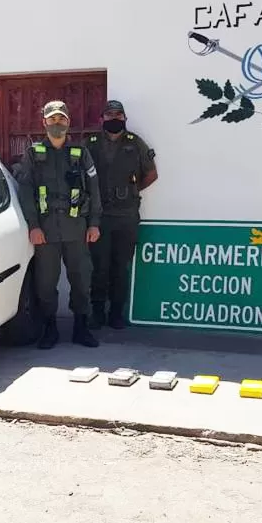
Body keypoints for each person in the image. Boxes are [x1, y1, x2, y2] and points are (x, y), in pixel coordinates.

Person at [16, 100, 102, 349]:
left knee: (81, 278)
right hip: (46, 231)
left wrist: (94, 223)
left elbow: (94, 190)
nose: (57, 124)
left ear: (68, 122)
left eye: (61, 119)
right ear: (44, 123)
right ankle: (50, 329)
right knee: (45, 282)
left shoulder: (80, 153)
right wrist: (33, 226)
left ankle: (81, 328)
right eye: (52, 119)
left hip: (77, 228)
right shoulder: (33, 155)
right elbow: (25, 191)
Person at [83, 100, 158, 330]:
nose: (114, 119)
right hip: (100, 217)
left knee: (120, 267)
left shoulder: (135, 144)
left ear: (124, 118)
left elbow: (152, 174)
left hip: (126, 216)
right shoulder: (90, 144)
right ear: (101, 119)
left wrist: (132, 192)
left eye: (118, 115)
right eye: (109, 115)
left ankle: (116, 313)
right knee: (99, 267)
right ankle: (97, 313)